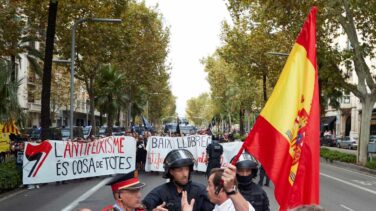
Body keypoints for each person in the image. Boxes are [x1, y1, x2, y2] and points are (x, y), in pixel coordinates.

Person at [142, 149, 213, 211]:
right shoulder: (160, 192)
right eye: (180, 170)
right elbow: (142, 207)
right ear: (171, 172)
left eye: (187, 169)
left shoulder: (200, 191)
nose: (185, 174)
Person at [181, 165, 255, 211]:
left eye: (209, 185)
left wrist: (231, 189)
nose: (207, 189)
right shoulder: (218, 206)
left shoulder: (234, 208)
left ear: (220, 189)